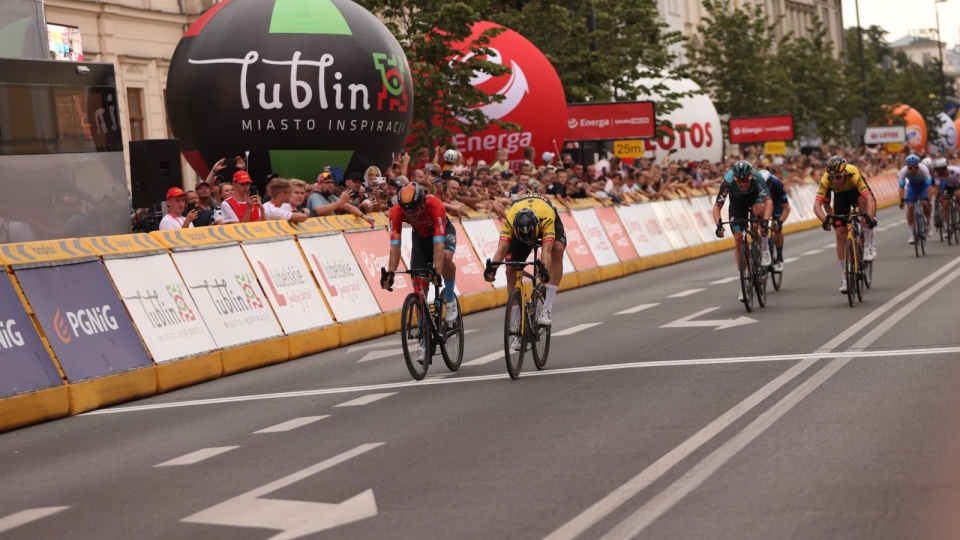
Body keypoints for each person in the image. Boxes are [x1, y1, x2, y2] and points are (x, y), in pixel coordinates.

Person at [484, 192, 567, 342]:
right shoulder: (511, 217)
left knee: (557, 249)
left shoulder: (546, 217)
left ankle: (547, 308)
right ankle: (516, 323)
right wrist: (493, 268)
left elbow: (546, 249)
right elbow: (502, 247)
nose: (529, 244)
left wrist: (543, 269)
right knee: (510, 269)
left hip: (546, 217)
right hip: (520, 225)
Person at [380, 183, 460, 324]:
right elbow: (395, 247)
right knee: (419, 286)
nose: (410, 215)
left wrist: (437, 272)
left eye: (414, 210)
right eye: (407, 211)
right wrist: (391, 273)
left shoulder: (435, 205)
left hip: (443, 233)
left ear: (422, 204)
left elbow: (439, 245)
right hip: (421, 238)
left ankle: (449, 299)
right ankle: (423, 331)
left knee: (446, 257)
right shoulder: (396, 212)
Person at [812, 155, 878, 293]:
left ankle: (867, 246)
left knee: (864, 207)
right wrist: (825, 220)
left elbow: (870, 199)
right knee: (840, 233)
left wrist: (870, 218)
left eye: (838, 177)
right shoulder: (826, 179)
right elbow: (817, 205)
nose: (835, 180)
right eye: (832, 177)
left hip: (855, 191)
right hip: (840, 197)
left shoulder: (853, 172)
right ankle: (845, 276)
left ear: (845, 173)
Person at [713, 160, 774, 301]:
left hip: (755, 200)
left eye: (746, 180)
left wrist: (765, 221)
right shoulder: (727, 182)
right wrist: (718, 225)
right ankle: (743, 285)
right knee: (739, 239)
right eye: (739, 181)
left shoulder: (757, 177)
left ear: (750, 176)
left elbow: (769, 202)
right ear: (735, 178)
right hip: (737, 205)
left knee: (758, 214)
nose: (743, 184)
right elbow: (717, 207)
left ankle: (761, 246)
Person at [759, 169, 792, 270]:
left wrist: (780, 222)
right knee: (757, 224)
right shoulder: (754, 184)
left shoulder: (778, 184)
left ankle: (779, 259)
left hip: (776, 201)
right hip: (762, 202)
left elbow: (786, 207)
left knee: (776, 228)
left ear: (770, 182)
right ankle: (758, 250)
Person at [897, 153, 933, 244]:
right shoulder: (903, 171)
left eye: (915, 167)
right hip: (912, 187)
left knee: (925, 203)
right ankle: (912, 234)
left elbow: (929, 187)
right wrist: (901, 200)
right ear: (907, 167)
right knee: (910, 207)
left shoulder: (924, 169)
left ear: (918, 165)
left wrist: (929, 198)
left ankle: (928, 223)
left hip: (923, 186)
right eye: (910, 168)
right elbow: (901, 187)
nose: (913, 170)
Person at [931, 158, 960, 226]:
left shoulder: (955, 171)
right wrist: (938, 196)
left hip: (958, 183)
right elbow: (937, 187)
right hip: (949, 186)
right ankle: (946, 224)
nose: (936, 172)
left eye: (937, 170)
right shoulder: (938, 175)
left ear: (942, 169)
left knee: (958, 194)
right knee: (945, 203)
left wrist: (957, 191)